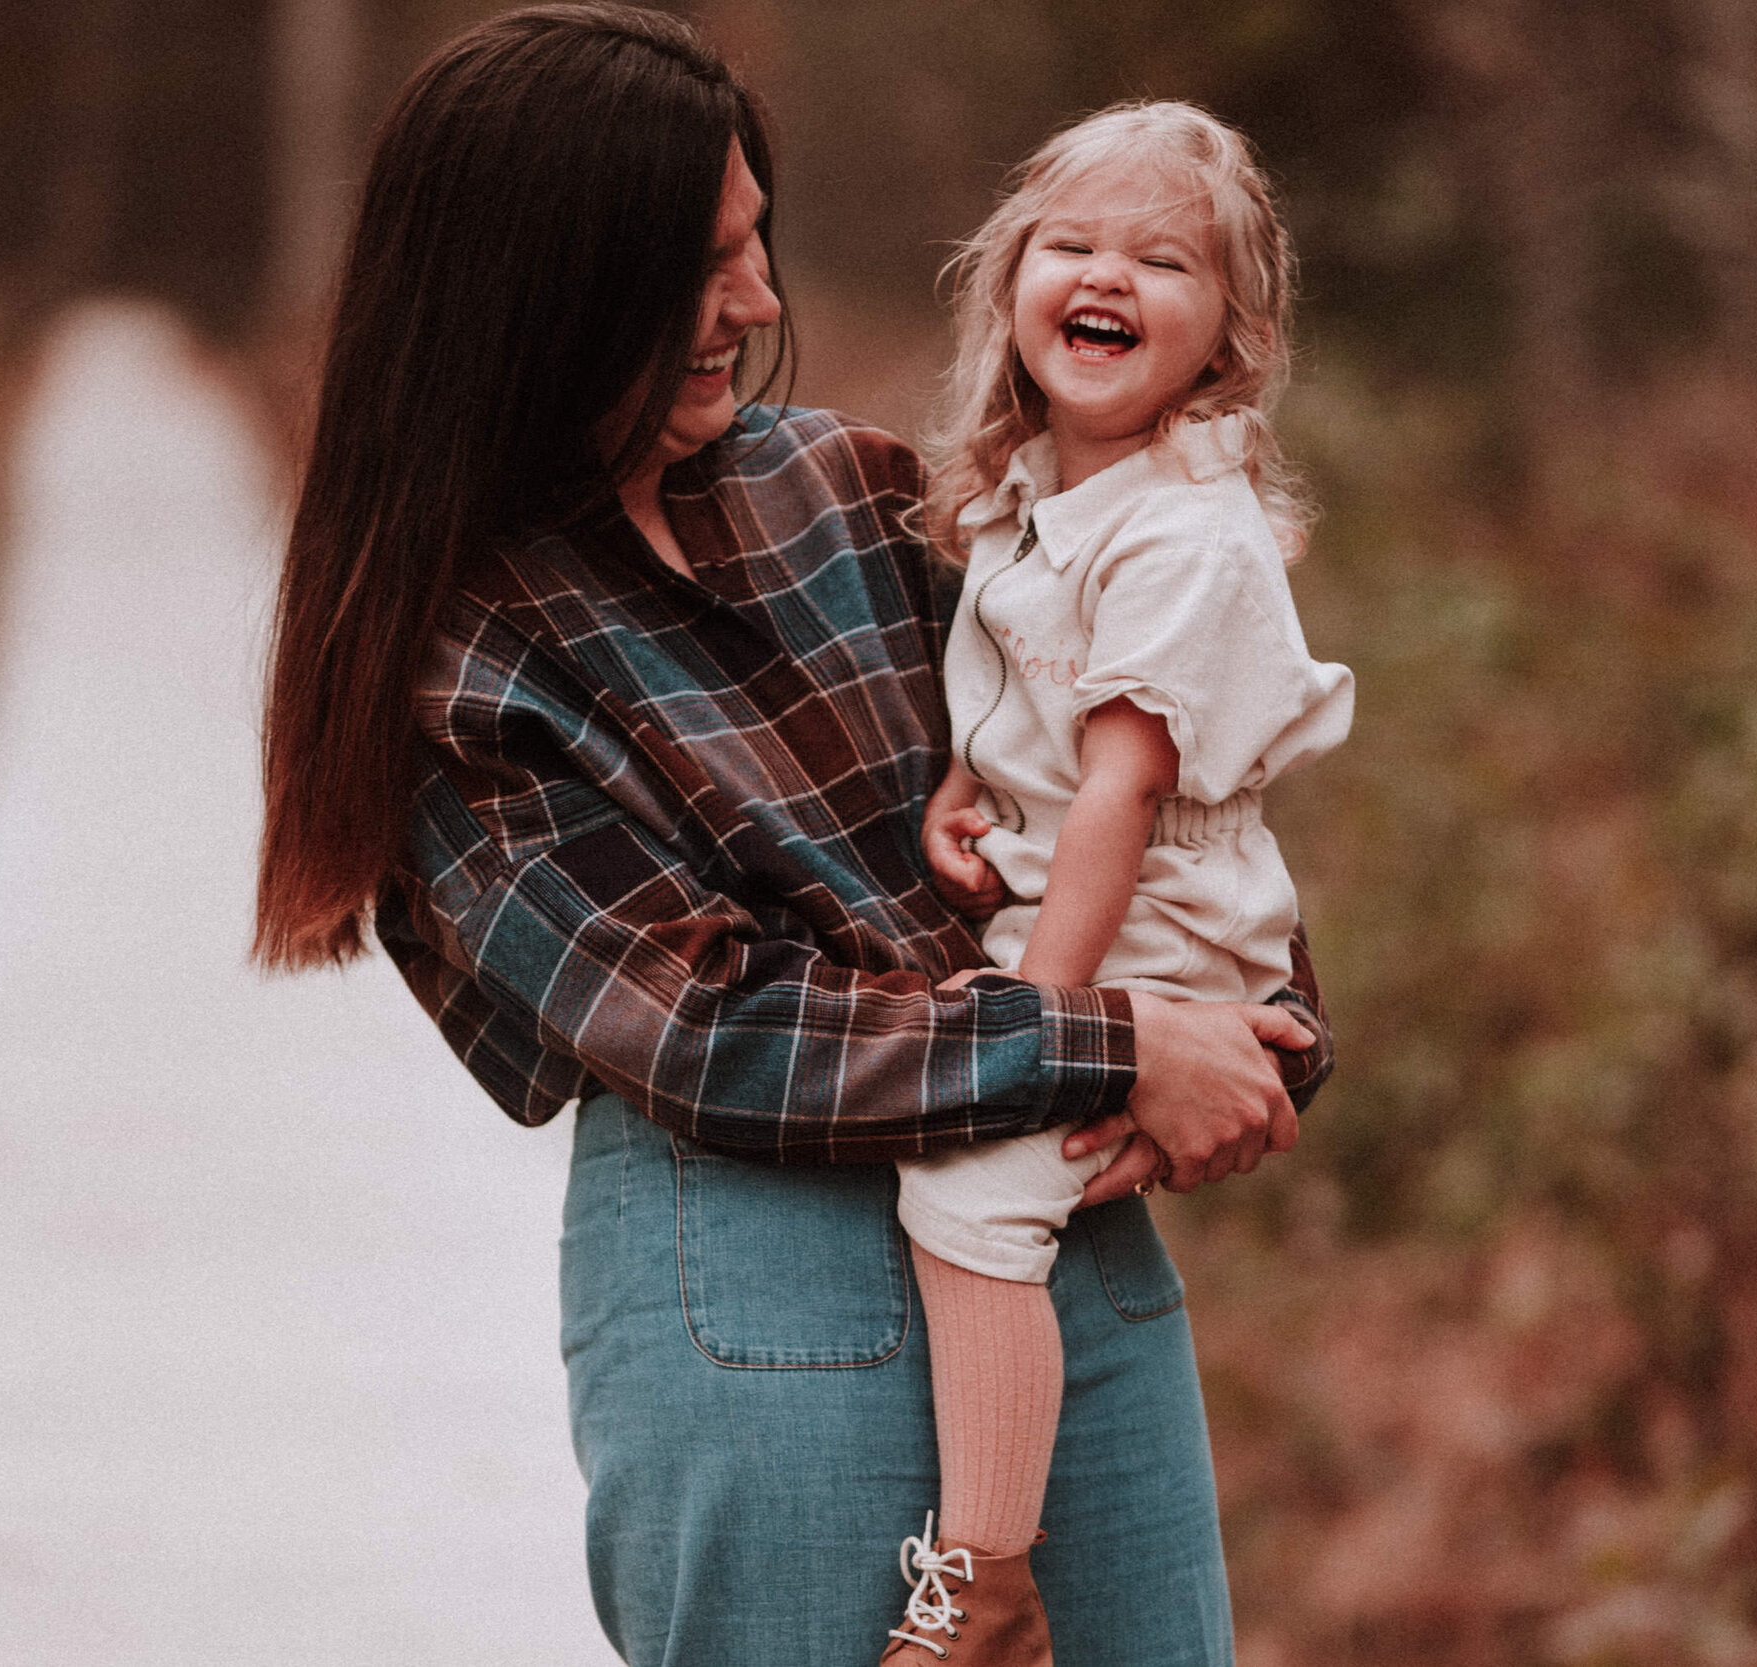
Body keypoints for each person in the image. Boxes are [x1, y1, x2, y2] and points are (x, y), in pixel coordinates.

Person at [251, 9, 1333, 1665]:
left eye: (756, 249)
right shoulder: (457, 663)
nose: (758, 306)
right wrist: (1120, 1046)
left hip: (1047, 1256)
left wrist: (1255, 1032)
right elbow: (707, 1028)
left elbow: (1137, 765)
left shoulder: (847, 482)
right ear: (546, 290)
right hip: (762, 1270)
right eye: (704, 266)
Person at [877, 104, 1354, 1666]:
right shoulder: (1041, 499)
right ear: (1009, 277)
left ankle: (986, 1581)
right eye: (1073, 244)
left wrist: (1036, 1016)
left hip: (1153, 920)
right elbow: (1041, 723)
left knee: (970, 1193)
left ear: (1227, 339)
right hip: (1089, 887)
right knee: (981, 1169)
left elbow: (1126, 788)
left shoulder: (1181, 535)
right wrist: (964, 783)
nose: (1108, 275)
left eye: (1162, 260)